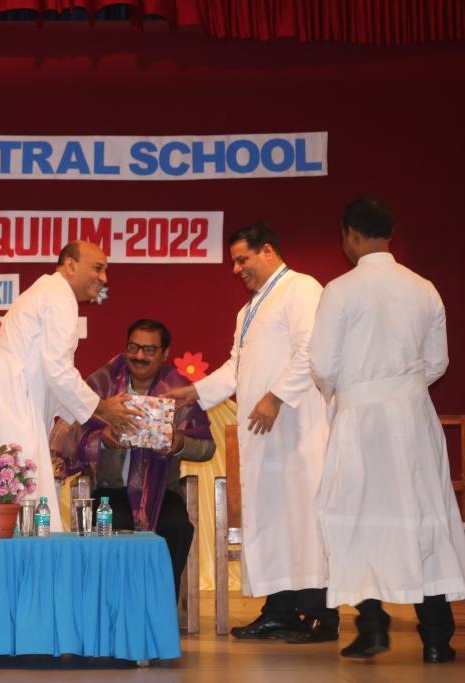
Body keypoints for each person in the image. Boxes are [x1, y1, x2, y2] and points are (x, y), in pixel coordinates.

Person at [164, 223, 338, 643]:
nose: (237, 268)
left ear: (268, 251)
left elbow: (311, 352)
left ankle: (321, 615)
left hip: (296, 430)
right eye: (234, 261)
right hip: (266, 437)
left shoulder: (301, 289)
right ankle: (280, 610)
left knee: (302, 521)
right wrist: (193, 393)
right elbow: (235, 368)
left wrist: (275, 397)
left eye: (243, 259)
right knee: (274, 521)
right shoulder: (249, 309)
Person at [309, 196, 465, 663]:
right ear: (388, 233)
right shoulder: (424, 288)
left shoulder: (340, 290)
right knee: (423, 514)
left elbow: (322, 364)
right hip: (413, 416)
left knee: (355, 515)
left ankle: (372, 623)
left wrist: (350, 392)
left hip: (360, 417)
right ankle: (436, 636)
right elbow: (437, 362)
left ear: (351, 235)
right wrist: (402, 387)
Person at [0, 241, 142, 532]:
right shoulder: (59, 297)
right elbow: (58, 369)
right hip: (15, 402)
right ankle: (28, 557)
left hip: (9, 397)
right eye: (98, 268)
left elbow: (50, 373)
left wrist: (84, 415)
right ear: (71, 265)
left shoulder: (46, 291)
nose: (104, 278)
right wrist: (103, 409)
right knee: (22, 486)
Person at [49, 319, 214, 598]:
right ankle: (116, 606)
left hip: (162, 492)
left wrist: (179, 444)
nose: (139, 356)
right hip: (110, 492)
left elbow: (207, 448)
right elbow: (71, 435)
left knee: (178, 527)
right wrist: (102, 440)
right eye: (133, 347)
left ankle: (160, 605)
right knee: (114, 527)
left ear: (164, 353)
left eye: (149, 350)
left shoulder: (179, 390)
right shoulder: (102, 384)